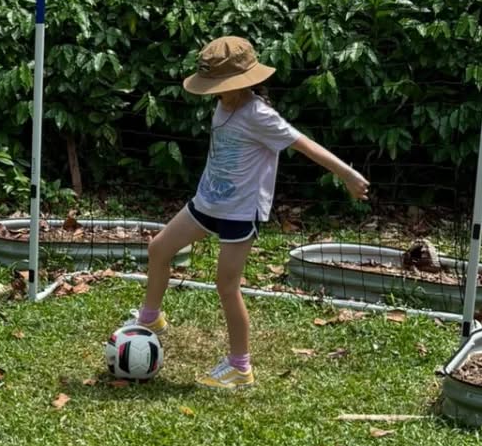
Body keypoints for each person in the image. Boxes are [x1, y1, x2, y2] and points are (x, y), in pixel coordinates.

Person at [136, 36, 369, 389]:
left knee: (226, 286)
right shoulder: (222, 105)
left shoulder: (259, 114)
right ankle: (150, 320)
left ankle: (240, 366)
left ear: (245, 82)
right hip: (206, 203)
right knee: (159, 249)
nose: (216, 91)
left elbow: (304, 144)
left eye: (221, 85)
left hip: (239, 214)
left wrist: (348, 175)